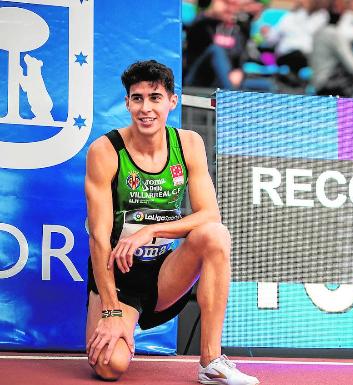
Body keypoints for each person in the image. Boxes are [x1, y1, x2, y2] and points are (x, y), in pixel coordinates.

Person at [84, 60, 259, 385]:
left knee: (216, 234)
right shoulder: (106, 150)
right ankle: (121, 321)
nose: (146, 108)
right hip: (116, 275)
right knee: (110, 367)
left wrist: (152, 229)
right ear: (127, 102)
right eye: (137, 98)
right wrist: (109, 312)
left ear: (171, 101)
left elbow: (210, 215)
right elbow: (98, 237)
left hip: (165, 274)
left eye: (155, 98)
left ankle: (211, 362)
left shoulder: (188, 143)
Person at [184, 0, 273, 91]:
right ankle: (229, 95)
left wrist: (240, 73)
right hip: (198, 78)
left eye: (234, 5)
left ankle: (230, 92)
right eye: (227, 3)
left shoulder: (237, 30)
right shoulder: (202, 23)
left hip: (223, 80)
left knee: (267, 85)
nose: (231, 9)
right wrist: (212, 13)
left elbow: (239, 58)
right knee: (216, 50)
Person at [262, 0, 329, 86]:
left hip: (307, 57)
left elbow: (311, 31)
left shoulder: (321, 16)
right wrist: (267, 33)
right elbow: (272, 38)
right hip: (286, 56)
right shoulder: (288, 17)